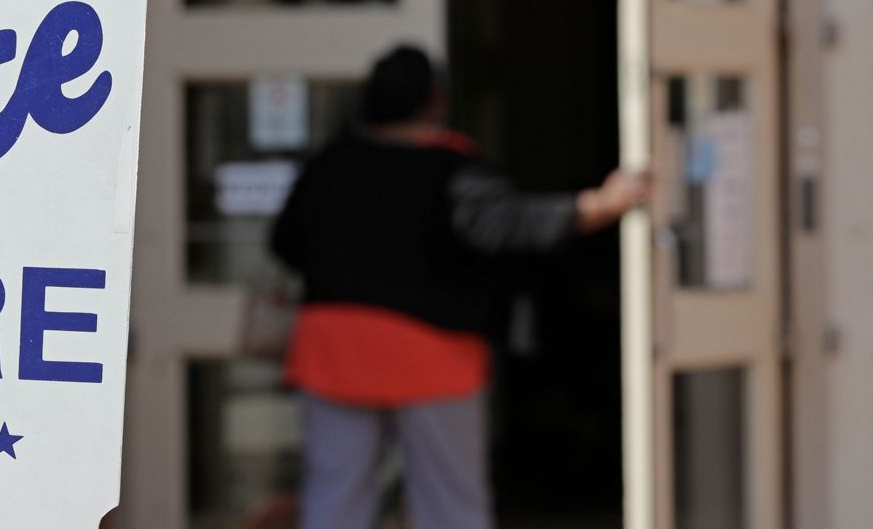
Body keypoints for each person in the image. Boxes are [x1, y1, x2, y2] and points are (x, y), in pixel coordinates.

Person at [270, 45, 649, 529]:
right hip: (430, 356)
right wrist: (600, 204)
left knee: (335, 495)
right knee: (449, 503)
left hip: (332, 352)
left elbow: (285, 243)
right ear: (434, 102)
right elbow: (509, 224)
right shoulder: (451, 169)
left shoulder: (329, 164)